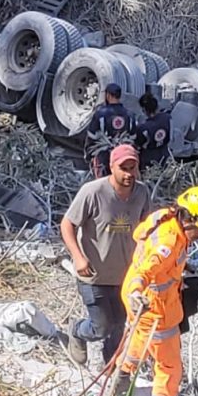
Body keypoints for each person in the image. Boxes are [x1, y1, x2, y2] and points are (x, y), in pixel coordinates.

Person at [116, 185, 198, 396]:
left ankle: (121, 375)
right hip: (154, 307)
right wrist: (137, 291)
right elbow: (148, 269)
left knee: (139, 338)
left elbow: (141, 241)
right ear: (190, 220)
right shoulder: (169, 242)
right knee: (169, 366)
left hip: (144, 301)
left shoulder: (167, 217)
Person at [59, 144, 153, 367]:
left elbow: (148, 226)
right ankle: (77, 331)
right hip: (94, 276)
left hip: (126, 277)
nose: (129, 174)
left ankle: (111, 367)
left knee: (120, 328)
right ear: (112, 167)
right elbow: (67, 224)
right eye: (123, 168)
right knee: (101, 327)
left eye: (133, 168)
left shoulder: (142, 193)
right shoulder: (93, 192)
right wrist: (78, 258)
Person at [86, 83, 135, 178]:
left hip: (104, 157)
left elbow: (92, 136)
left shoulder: (100, 114)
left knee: (103, 183)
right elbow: (133, 137)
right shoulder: (129, 115)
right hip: (123, 156)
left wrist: (88, 155)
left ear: (108, 95)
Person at [134, 93, 171, 167]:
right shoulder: (167, 118)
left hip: (148, 161)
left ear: (144, 110)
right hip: (165, 156)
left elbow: (138, 144)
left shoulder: (143, 128)